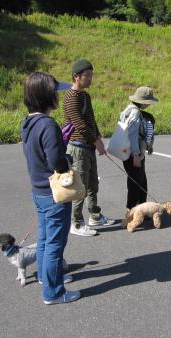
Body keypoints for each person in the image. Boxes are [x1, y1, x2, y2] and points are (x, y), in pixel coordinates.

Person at [21, 71, 80, 304]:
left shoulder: (28, 122)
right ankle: (53, 292)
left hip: (38, 190)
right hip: (54, 193)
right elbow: (56, 161)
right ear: (47, 96)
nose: (58, 96)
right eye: (55, 92)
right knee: (55, 243)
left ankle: (48, 280)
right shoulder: (48, 124)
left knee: (45, 240)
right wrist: (67, 160)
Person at [62, 59, 114, 237]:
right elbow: (79, 125)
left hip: (89, 146)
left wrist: (98, 136)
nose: (91, 78)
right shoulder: (70, 96)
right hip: (77, 148)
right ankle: (76, 223)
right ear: (76, 77)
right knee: (80, 186)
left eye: (92, 75)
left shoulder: (85, 95)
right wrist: (95, 141)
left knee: (93, 184)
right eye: (87, 75)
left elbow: (91, 120)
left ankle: (95, 215)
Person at [120, 86, 158, 210]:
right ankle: (131, 211)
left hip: (129, 152)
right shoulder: (135, 112)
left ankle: (142, 209)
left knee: (140, 181)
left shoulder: (129, 109)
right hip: (133, 154)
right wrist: (136, 154)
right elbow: (132, 134)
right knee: (136, 183)